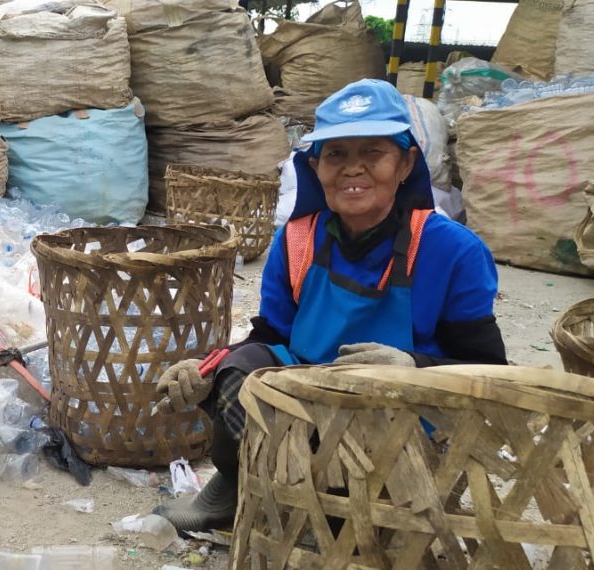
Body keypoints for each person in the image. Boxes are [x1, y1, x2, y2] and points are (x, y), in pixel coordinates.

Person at [152, 79, 508, 532]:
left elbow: (487, 369)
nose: (353, 170)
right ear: (315, 166)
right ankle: (240, 482)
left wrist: (414, 368)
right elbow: (271, 336)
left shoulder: (453, 251)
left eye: (373, 153)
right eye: (336, 154)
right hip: (305, 409)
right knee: (238, 372)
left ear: (406, 164)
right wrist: (203, 371)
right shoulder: (299, 239)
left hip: (394, 423)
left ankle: (347, 513)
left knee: (373, 455)